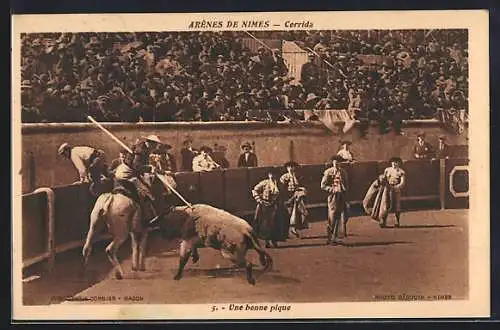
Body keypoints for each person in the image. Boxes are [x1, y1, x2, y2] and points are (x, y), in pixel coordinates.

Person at [252, 169, 288, 248]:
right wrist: (259, 199)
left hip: (276, 206)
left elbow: (282, 193)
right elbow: (255, 190)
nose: (272, 176)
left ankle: (274, 241)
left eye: (274, 174)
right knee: (266, 224)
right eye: (271, 174)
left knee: (275, 223)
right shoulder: (264, 182)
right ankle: (267, 241)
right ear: (268, 175)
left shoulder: (279, 184)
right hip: (266, 205)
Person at [320, 155, 349, 245]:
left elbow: (347, 183)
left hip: (342, 195)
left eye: (338, 161)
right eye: (335, 161)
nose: (336, 163)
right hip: (333, 196)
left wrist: (344, 189)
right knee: (332, 216)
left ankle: (335, 237)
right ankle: (329, 238)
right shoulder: (328, 172)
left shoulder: (343, 172)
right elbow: (323, 185)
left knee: (340, 216)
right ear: (332, 162)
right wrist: (332, 189)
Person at [279, 161, 308, 238]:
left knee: (298, 213)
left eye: (292, 167)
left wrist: (301, 190)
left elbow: (302, 185)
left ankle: (294, 228)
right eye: (289, 167)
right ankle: (287, 231)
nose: (291, 169)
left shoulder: (298, 176)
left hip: (297, 196)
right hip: (288, 196)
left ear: (295, 168)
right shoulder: (284, 177)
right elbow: (282, 189)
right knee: (288, 213)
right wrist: (285, 198)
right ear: (286, 168)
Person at [380, 157, 406, 228]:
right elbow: (384, 179)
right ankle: (383, 221)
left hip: (396, 190)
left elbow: (402, 183)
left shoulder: (401, 172)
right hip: (387, 189)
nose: (394, 164)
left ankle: (397, 222)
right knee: (385, 205)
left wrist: (396, 187)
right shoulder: (387, 170)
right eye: (393, 162)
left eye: (396, 162)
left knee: (397, 205)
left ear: (399, 163)